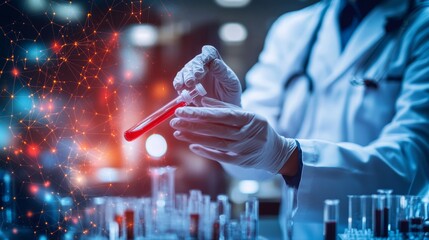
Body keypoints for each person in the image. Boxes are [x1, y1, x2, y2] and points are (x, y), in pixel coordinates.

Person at [170, 0, 429, 238]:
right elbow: (252, 167)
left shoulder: (421, 24)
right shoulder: (293, 29)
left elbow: (412, 162)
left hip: (384, 231)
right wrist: (230, 117)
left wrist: (287, 156)